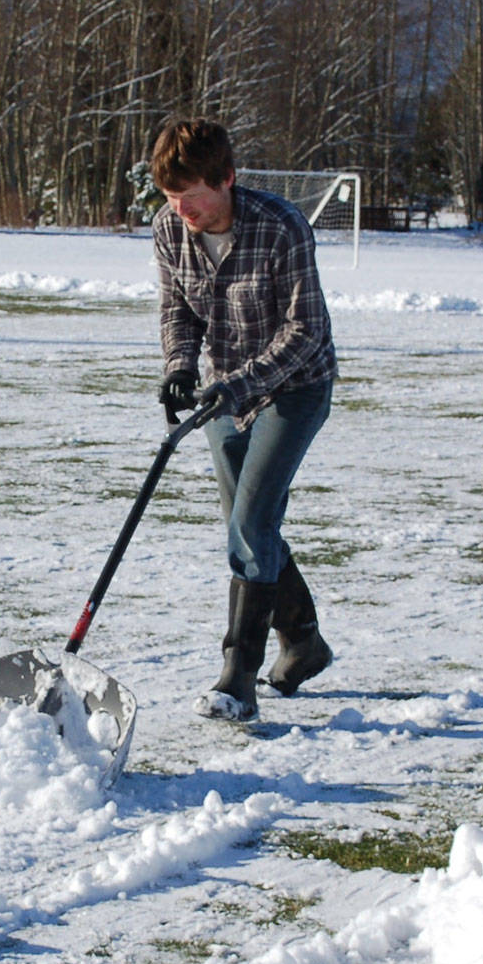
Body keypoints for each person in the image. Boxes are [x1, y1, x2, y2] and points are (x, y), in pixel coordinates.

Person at [149, 117, 337, 722]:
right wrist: (180, 365)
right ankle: (303, 640)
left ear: (226, 179)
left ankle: (239, 675)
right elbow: (177, 308)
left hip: (293, 388)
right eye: (171, 198)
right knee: (245, 525)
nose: (181, 211)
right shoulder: (168, 230)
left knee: (252, 520)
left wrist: (235, 386)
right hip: (223, 393)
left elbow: (305, 332)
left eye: (191, 197)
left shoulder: (281, 227)